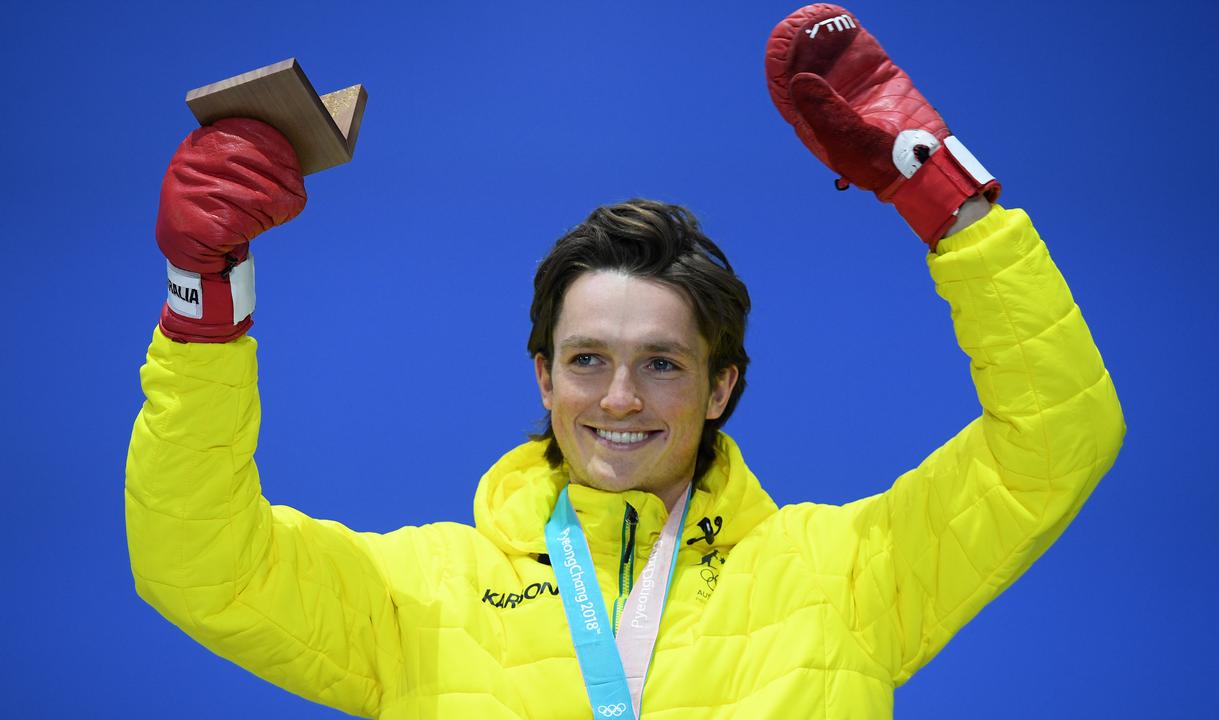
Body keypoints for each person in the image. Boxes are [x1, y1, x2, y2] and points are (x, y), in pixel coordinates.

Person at [125, 4, 1125, 719]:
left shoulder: (844, 576)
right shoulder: (421, 597)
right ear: (541, 376)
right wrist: (200, 300)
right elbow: (197, 563)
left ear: (720, 385)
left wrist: (949, 203)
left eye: (661, 364)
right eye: (587, 359)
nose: (616, 396)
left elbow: (1056, 436)